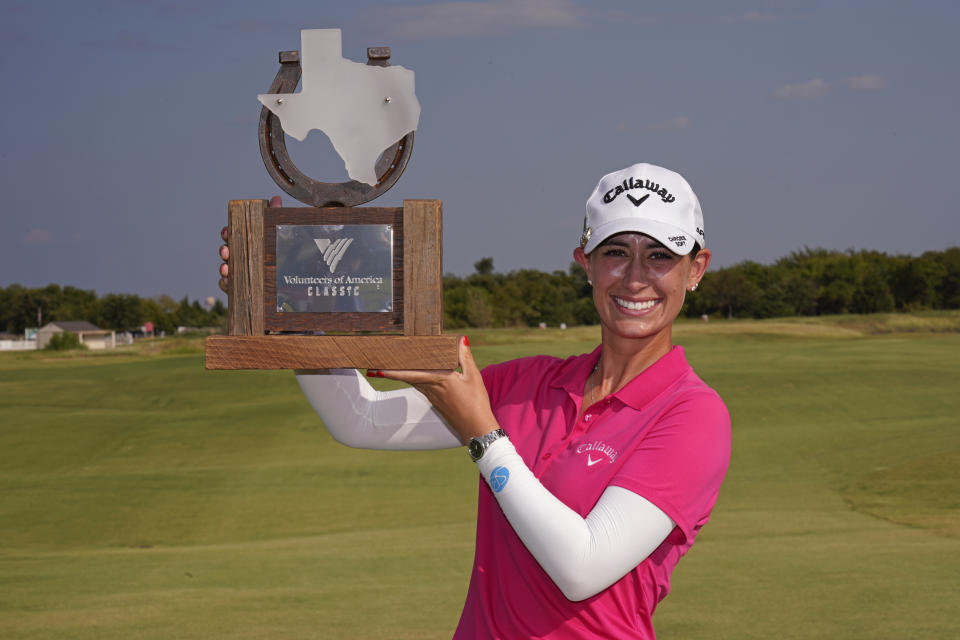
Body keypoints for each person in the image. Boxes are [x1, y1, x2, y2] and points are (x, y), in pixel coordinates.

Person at [219, 163, 730, 638]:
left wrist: (484, 436)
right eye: (616, 252)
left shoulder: (693, 415)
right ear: (586, 263)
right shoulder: (529, 383)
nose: (636, 277)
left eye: (661, 254)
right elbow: (363, 418)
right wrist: (294, 306)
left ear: (696, 268)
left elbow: (582, 568)